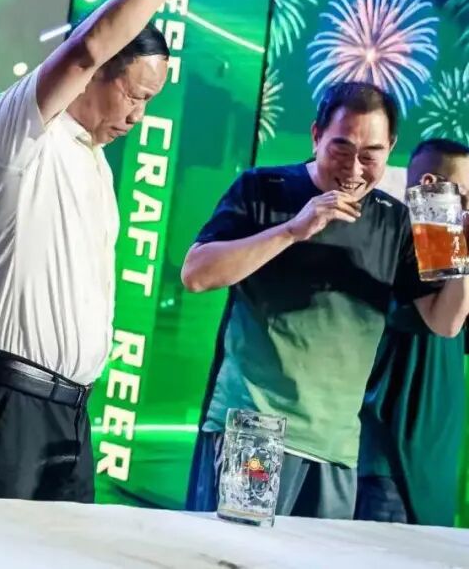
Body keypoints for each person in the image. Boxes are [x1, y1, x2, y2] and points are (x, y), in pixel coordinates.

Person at [0, 0, 250, 502]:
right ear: (98, 74)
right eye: (134, 95)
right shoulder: (21, 128)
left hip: (71, 414)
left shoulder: (97, 164)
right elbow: (84, 48)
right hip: (6, 402)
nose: (138, 116)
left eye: (150, 103)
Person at [182, 84, 469, 520]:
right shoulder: (264, 187)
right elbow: (196, 274)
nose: (354, 168)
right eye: (341, 149)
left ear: (390, 148)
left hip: (335, 448)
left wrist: (461, 248)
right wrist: (292, 230)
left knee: (319, 555)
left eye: (370, 154)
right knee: (234, 550)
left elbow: (444, 322)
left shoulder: (396, 221)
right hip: (254, 431)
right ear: (316, 135)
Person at [356, 138, 469, 525]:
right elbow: (447, 322)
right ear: (431, 185)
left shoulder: (450, 242)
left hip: (434, 463)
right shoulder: (407, 235)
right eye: (464, 194)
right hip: (392, 463)